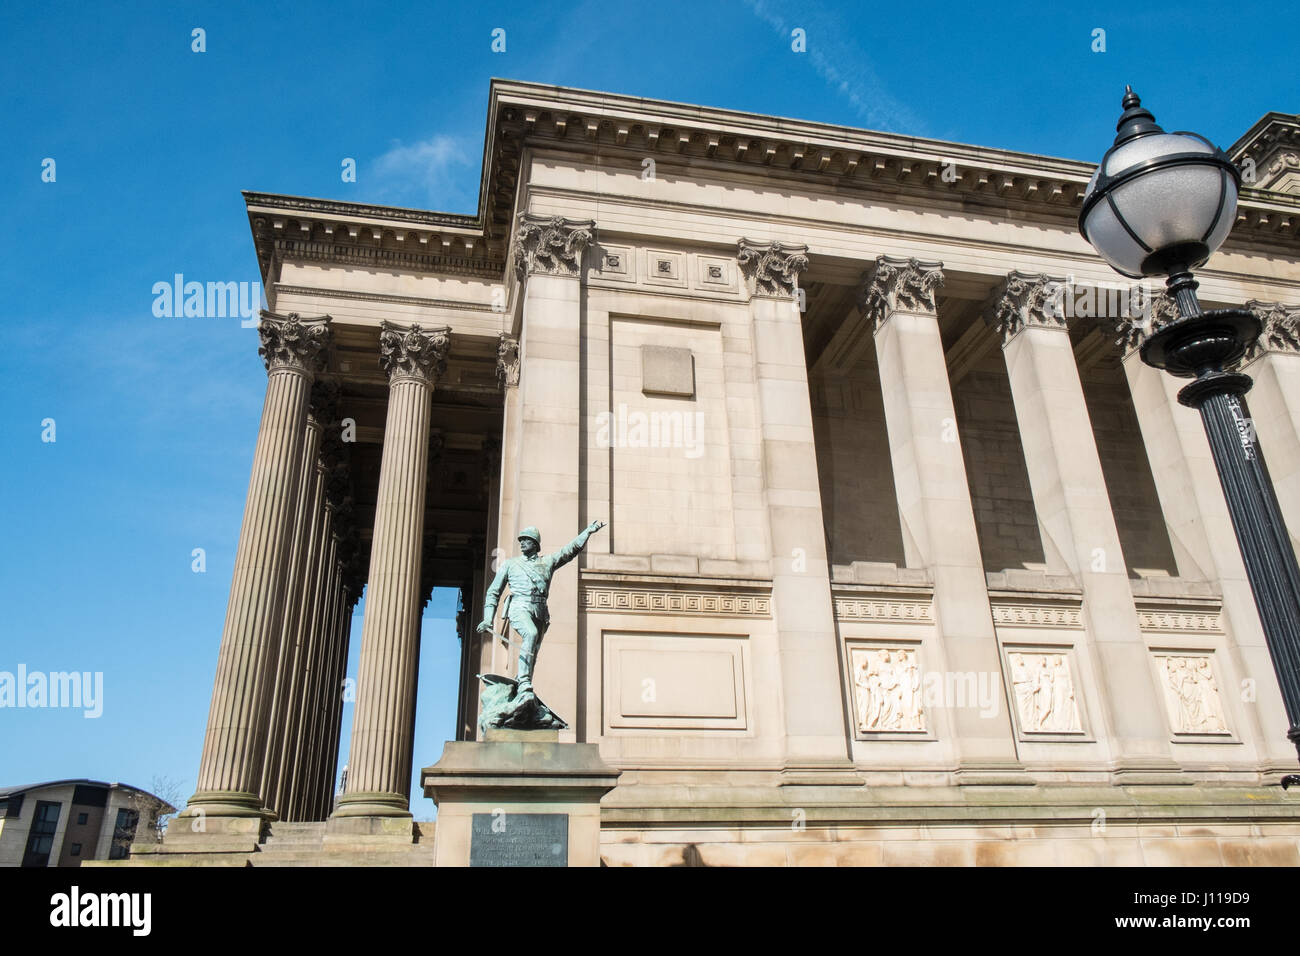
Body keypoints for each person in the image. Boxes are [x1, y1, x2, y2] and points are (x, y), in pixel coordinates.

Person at [477, 520, 606, 697]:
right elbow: (493, 592)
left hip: (540, 610)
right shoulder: (510, 564)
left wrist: (588, 532)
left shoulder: (548, 562)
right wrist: (487, 618)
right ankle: (523, 682)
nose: (521, 543)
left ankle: (523, 680)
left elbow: (570, 551)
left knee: (533, 651)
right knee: (530, 634)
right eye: (521, 540)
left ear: (535, 544)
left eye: (526, 540)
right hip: (519, 606)